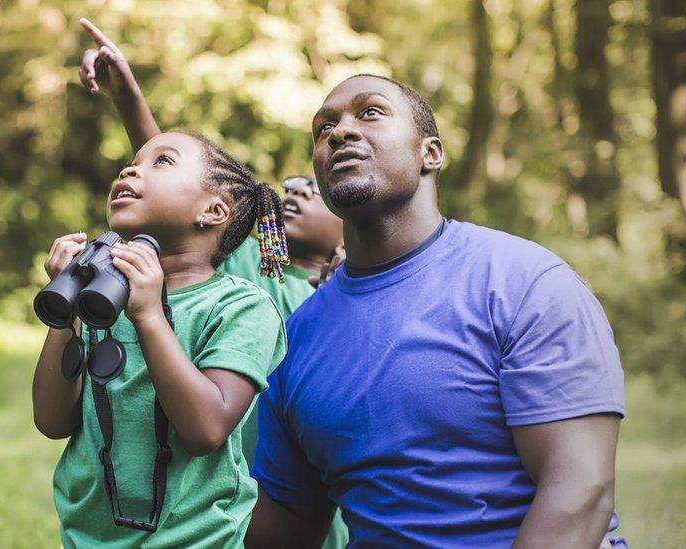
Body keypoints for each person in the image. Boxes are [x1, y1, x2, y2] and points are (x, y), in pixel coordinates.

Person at [245, 74, 626, 548]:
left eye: (370, 113)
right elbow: (286, 522)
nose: (338, 132)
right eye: (324, 128)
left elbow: (579, 493)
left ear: (430, 153)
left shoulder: (524, 282)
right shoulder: (295, 340)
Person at [76, 18, 350, 548]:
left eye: (312, 189)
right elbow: (177, 192)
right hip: (208, 491)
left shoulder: (334, 298)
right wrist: (129, 99)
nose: (294, 191)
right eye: (289, 185)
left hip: (294, 493)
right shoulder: (249, 267)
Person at [32, 130, 288, 547]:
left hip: (197, 539)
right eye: (132, 161)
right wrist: (64, 311)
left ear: (213, 210)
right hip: (87, 538)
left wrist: (150, 315)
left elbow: (205, 430)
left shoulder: (240, 307)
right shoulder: (101, 298)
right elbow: (51, 420)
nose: (131, 169)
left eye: (162, 161)